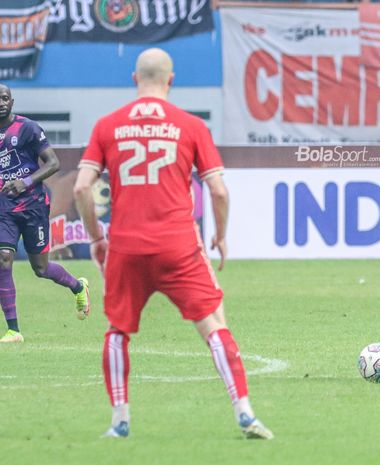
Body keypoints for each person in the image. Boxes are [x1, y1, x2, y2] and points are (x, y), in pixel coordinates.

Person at [73, 48, 273, 439]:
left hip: (127, 246)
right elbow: (218, 191)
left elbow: (81, 187)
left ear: (134, 79)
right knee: (214, 324)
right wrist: (220, 234)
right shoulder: (191, 126)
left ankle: (119, 421)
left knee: (117, 330)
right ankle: (245, 412)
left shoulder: (107, 125)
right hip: (178, 244)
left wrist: (97, 237)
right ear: (172, 80)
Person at [0, 84, 90, 344]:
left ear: (12, 102)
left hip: (33, 206)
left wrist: (25, 183)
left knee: (40, 268)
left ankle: (77, 286)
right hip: (4, 208)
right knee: (4, 258)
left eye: (5, 98)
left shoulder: (27, 128)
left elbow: (54, 163)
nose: (1, 102)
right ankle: (14, 330)